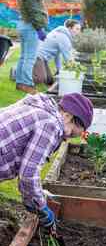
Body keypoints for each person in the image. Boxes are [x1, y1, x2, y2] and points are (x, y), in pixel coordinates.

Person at [0, 92, 93, 232]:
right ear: (68, 116)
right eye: (76, 131)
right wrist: (41, 206)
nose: (69, 137)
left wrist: (32, 197)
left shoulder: (39, 109)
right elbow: (28, 174)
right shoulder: (51, 125)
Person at [15, 0, 48, 94]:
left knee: (24, 56)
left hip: (23, 25)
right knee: (30, 57)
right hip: (30, 26)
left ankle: (20, 83)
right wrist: (39, 29)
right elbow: (34, 12)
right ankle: (27, 84)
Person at [33, 19, 81, 85]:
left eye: (79, 29)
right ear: (70, 28)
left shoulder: (61, 33)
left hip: (43, 60)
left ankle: (31, 70)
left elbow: (57, 55)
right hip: (37, 57)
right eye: (77, 29)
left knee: (49, 81)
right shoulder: (63, 37)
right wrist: (76, 69)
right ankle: (17, 73)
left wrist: (59, 70)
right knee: (40, 79)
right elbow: (68, 57)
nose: (78, 31)